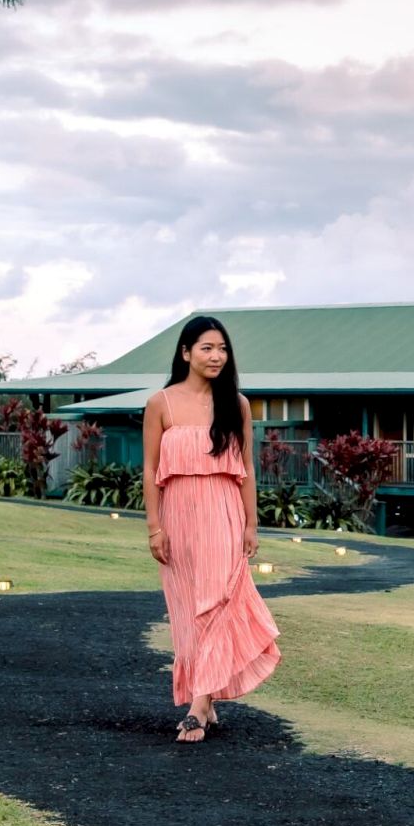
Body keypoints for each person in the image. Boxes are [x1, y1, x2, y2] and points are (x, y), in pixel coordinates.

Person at [142, 315, 281, 741]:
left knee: (218, 602)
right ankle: (206, 694)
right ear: (186, 353)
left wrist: (251, 524)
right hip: (178, 516)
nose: (216, 356)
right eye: (206, 347)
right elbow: (149, 471)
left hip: (223, 512)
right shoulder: (160, 403)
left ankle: (199, 705)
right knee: (188, 609)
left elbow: (246, 471)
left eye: (222, 348)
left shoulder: (235, 404)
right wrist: (154, 527)